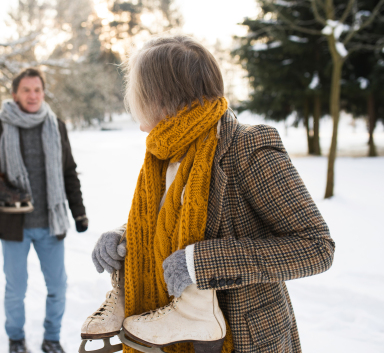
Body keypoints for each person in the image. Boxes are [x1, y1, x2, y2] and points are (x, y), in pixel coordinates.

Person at [87, 36, 335, 353]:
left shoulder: (248, 147)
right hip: (167, 336)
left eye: (139, 98)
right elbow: (169, 222)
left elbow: (316, 246)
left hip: (245, 338)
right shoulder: (167, 152)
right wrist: (126, 237)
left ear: (160, 99)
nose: (140, 125)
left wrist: (203, 263)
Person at [0, 68, 89, 353]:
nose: (33, 95)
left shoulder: (56, 125)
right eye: (26, 90)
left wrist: (79, 212)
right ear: (15, 94)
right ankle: (15, 338)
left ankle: (52, 338)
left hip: (52, 223)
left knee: (58, 287)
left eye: (37, 89)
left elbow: (68, 172)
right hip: (14, 225)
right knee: (16, 289)